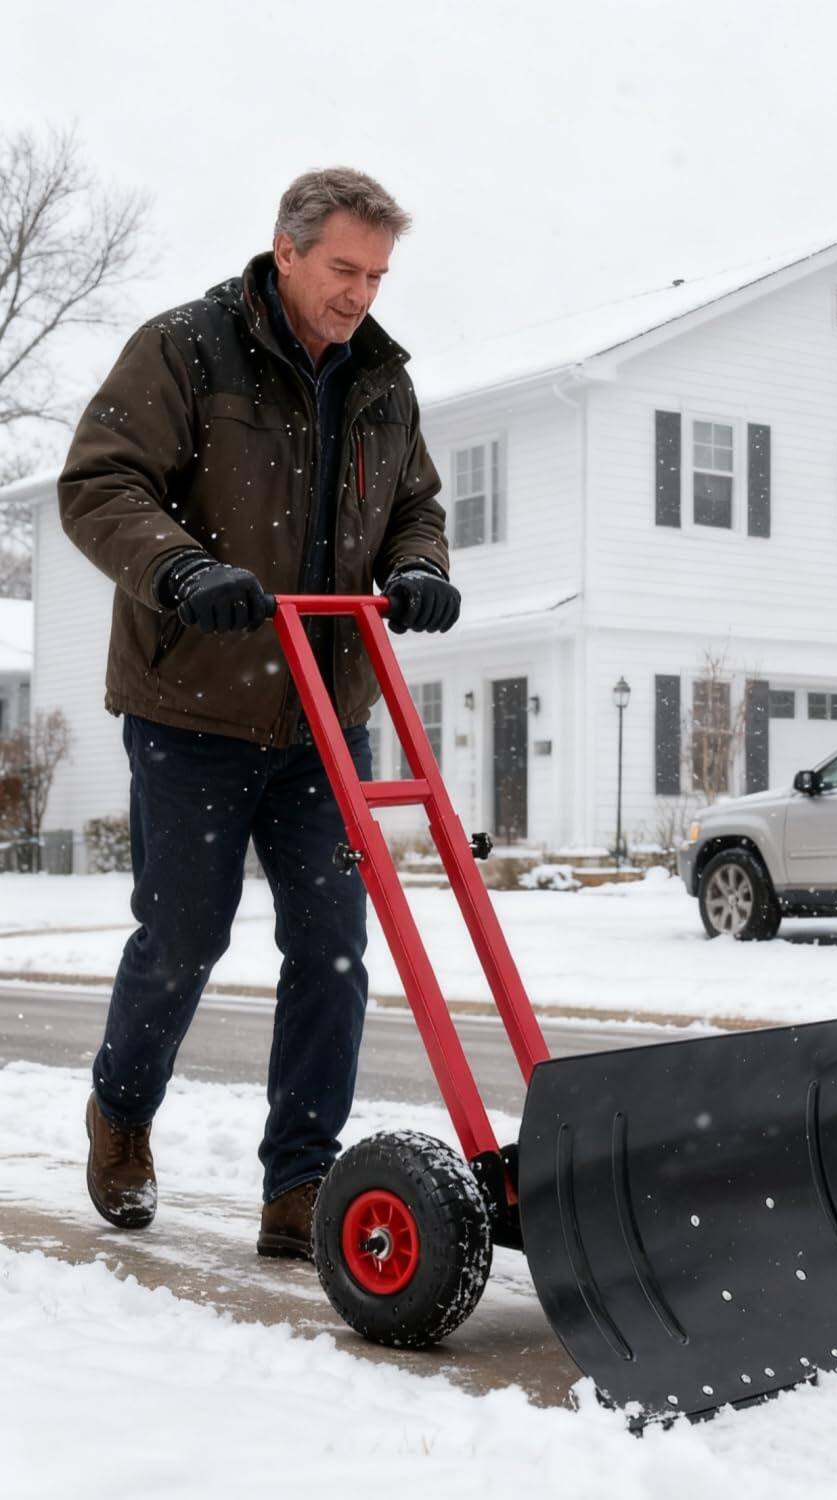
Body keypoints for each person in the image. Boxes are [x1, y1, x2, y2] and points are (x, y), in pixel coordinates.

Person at [58, 167, 459, 1258]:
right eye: (343, 269)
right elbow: (100, 484)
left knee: (332, 948)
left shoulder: (383, 381)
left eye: (377, 274)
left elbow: (414, 504)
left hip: (328, 715)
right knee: (185, 937)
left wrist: (419, 565)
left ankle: (303, 1184)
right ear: (284, 251)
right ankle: (122, 1110)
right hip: (194, 703)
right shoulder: (186, 348)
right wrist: (180, 568)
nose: (360, 295)